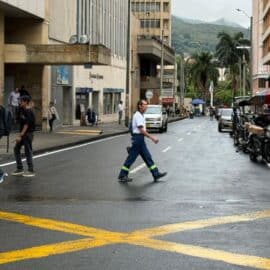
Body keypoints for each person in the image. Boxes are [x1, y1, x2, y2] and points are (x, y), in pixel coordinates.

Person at [118, 99, 167, 183]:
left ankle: (156, 174)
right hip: (138, 139)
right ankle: (122, 175)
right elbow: (141, 130)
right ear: (140, 106)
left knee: (148, 157)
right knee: (131, 158)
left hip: (140, 139)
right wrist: (152, 138)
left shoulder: (140, 115)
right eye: (145, 105)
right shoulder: (138, 115)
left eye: (146, 104)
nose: (146, 106)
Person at [11, 95, 36, 177]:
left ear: (25, 102)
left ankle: (31, 170)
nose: (19, 102)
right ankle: (20, 168)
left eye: (21, 101)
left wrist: (20, 136)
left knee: (27, 151)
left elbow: (26, 125)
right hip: (23, 133)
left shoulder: (28, 111)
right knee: (16, 149)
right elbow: (19, 120)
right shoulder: (23, 110)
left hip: (28, 134)